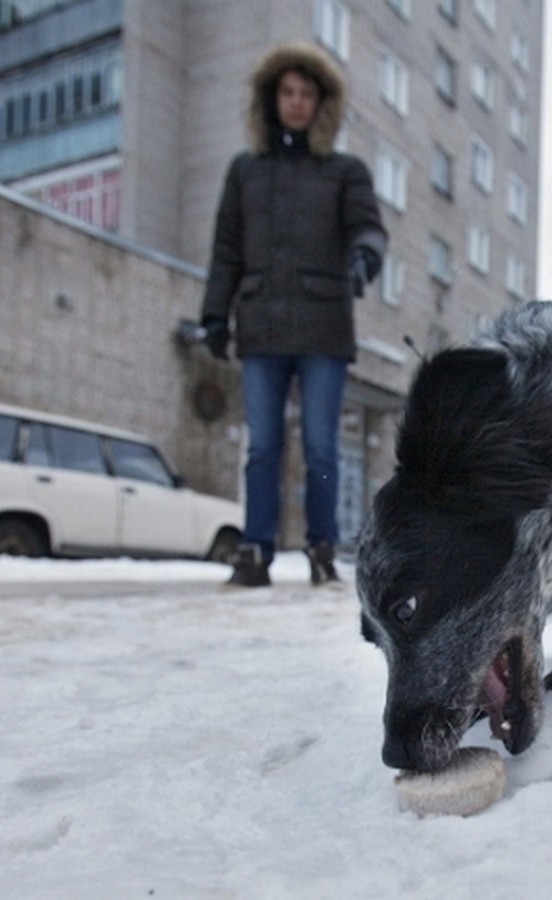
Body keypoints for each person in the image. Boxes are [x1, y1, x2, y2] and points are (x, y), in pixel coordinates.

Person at [200, 41, 387, 588]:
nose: (297, 102)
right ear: (271, 99)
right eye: (287, 92)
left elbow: (368, 227)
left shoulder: (344, 171)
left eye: (307, 93)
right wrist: (215, 315)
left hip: (323, 327)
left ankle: (322, 550)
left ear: (321, 103)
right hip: (259, 324)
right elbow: (226, 249)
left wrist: (364, 259)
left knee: (321, 444)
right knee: (262, 445)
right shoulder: (246, 171)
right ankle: (255, 550)